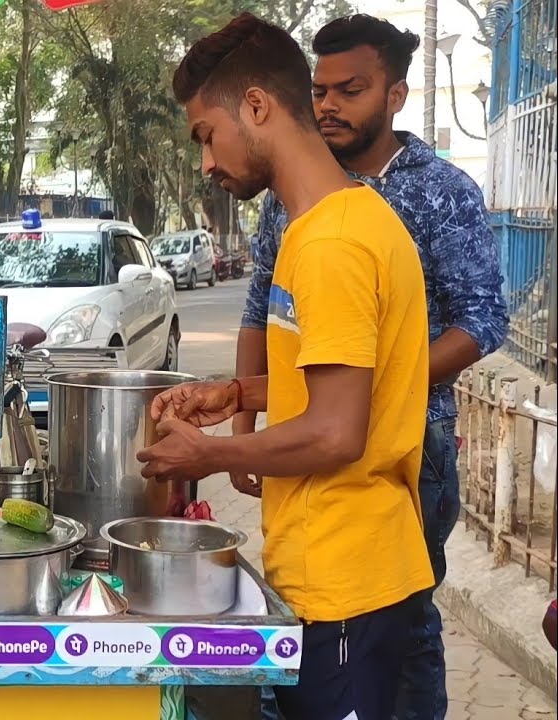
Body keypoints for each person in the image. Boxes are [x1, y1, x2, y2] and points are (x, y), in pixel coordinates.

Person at [139, 13, 434, 719]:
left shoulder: (333, 244)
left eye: (207, 135)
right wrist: (238, 390)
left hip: (349, 586)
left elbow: (337, 431)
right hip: (335, 576)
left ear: (258, 107)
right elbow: (339, 378)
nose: (206, 163)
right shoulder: (322, 227)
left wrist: (208, 455)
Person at [232, 16, 508, 720]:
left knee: (404, 624)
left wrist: (364, 394)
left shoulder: (442, 191)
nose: (328, 106)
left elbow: (480, 320)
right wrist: (244, 420)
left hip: (412, 442)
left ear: (395, 95)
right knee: (315, 613)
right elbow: (260, 304)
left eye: (349, 90)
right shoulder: (294, 186)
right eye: (319, 90)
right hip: (313, 436)